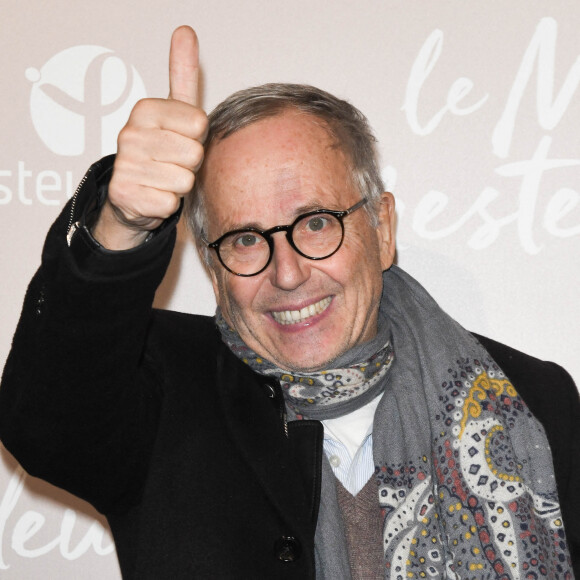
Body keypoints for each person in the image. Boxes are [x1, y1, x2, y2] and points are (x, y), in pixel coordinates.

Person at [0, 26, 578, 579]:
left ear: (381, 227)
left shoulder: (537, 402)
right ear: (212, 264)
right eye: (246, 238)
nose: (287, 272)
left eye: (316, 223)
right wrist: (122, 222)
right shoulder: (156, 395)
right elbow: (45, 421)